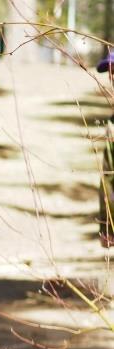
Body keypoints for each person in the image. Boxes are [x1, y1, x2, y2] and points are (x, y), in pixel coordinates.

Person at [97, 50, 114, 248]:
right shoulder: (112, 125)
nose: (112, 78)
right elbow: (108, 178)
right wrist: (106, 225)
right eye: (111, 73)